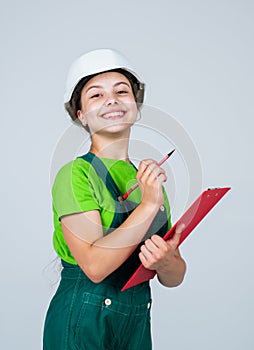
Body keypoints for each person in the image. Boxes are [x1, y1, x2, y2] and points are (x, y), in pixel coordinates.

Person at [43, 48, 186, 350]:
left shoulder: (147, 179)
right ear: (81, 115)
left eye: (122, 91)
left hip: (135, 325)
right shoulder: (75, 175)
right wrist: (147, 205)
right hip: (83, 322)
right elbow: (94, 267)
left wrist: (166, 260)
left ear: (135, 105)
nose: (112, 99)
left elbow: (173, 277)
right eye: (96, 95)